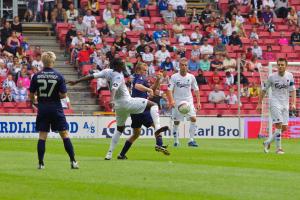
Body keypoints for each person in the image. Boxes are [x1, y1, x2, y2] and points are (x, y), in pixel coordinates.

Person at [68, 58, 169, 160]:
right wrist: (111, 100)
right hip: (128, 103)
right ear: (118, 66)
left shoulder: (107, 71)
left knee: (120, 129)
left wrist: (76, 81)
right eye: (122, 64)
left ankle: (109, 153)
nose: (124, 65)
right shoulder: (119, 76)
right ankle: (157, 130)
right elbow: (114, 88)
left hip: (119, 107)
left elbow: (91, 76)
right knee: (154, 105)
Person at [29, 51, 79, 169]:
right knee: (64, 134)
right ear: (53, 61)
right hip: (56, 108)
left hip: (43, 108)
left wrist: (35, 100)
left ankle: (41, 163)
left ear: (43, 61)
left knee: (42, 136)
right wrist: (55, 94)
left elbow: (31, 94)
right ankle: (73, 161)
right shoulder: (59, 76)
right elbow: (63, 95)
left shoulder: (37, 76)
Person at [118, 63, 170, 159]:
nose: (145, 72)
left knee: (136, 134)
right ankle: (159, 144)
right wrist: (149, 90)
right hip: (141, 107)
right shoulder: (140, 78)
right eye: (144, 70)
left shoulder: (141, 78)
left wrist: (158, 80)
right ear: (138, 70)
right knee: (156, 125)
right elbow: (138, 86)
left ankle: (121, 154)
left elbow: (151, 89)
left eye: (146, 70)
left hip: (135, 110)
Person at [257, 58, 296, 154]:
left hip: (285, 104)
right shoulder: (271, 77)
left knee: (284, 128)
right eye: (279, 64)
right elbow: (264, 90)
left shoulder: (290, 76)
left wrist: (293, 103)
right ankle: (279, 149)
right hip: (275, 102)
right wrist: (259, 103)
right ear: (277, 66)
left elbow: (293, 90)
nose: (280, 66)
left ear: (286, 66)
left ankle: (267, 142)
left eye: (282, 65)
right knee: (278, 125)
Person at [166, 58, 201, 147]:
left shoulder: (191, 77)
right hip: (177, 101)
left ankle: (191, 140)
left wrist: (198, 102)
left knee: (193, 118)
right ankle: (176, 141)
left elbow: (196, 90)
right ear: (179, 66)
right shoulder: (174, 77)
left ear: (187, 66)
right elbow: (169, 90)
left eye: (185, 65)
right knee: (177, 122)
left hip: (189, 100)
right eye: (182, 65)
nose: (184, 67)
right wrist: (171, 101)